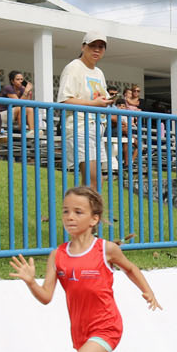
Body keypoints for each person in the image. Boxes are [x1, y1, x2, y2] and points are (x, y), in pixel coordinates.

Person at [9, 185, 161, 352]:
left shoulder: (106, 249)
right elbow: (46, 297)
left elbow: (130, 268)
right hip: (81, 331)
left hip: (106, 326)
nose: (70, 217)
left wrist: (147, 290)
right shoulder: (59, 255)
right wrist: (31, 282)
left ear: (94, 219)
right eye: (66, 211)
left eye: (78, 212)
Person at [58, 32, 121, 227]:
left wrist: (105, 104)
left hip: (96, 127)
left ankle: (87, 218)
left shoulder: (98, 72)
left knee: (95, 179)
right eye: (93, 45)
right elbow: (65, 100)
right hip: (79, 127)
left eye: (101, 47)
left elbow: (98, 100)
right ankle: (87, 221)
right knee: (92, 179)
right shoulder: (73, 68)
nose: (97, 50)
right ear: (83, 46)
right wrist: (94, 104)